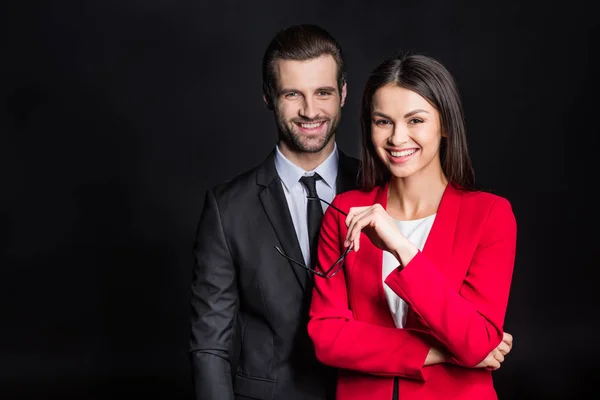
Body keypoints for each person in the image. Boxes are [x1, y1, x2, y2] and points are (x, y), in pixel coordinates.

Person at [307, 52, 517, 399]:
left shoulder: (490, 215)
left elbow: (478, 340)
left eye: (415, 120)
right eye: (383, 121)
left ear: (445, 124)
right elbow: (327, 338)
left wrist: (402, 248)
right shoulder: (345, 213)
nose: (397, 138)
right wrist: (438, 351)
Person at [189, 24, 360, 400]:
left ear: (343, 94)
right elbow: (210, 344)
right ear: (268, 97)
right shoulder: (227, 208)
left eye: (323, 93)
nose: (310, 110)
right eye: (292, 94)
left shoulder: (378, 189)